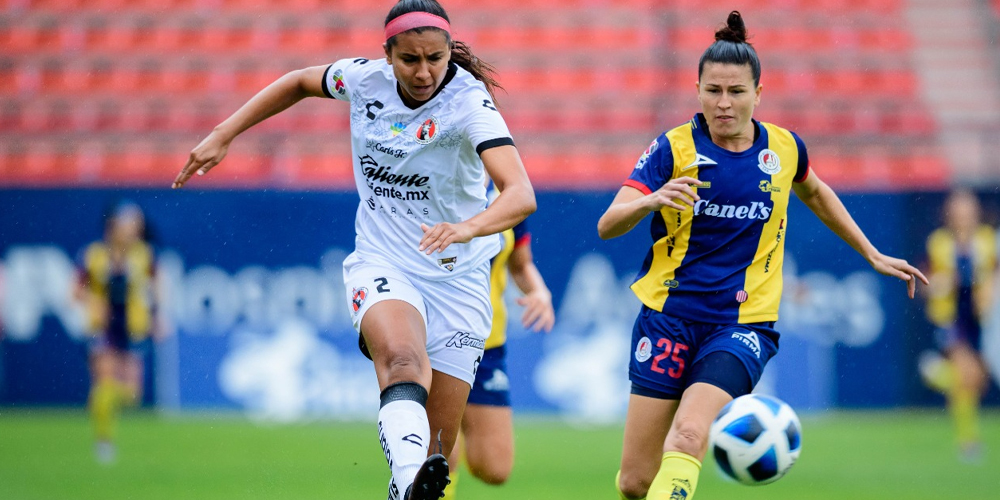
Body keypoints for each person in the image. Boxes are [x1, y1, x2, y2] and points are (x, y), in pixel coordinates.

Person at [171, 1, 536, 498]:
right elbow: (300, 80)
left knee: (439, 453)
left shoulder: (469, 103)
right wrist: (224, 133)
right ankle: (407, 482)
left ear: (451, 51)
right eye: (410, 59)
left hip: (460, 281)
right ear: (387, 55)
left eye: (436, 57)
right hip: (384, 263)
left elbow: (521, 194)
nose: (424, 71)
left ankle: (404, 485)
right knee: (403, 363)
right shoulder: (363, 80)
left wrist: (469, 227)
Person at [596, 11, 928, 500]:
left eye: (735, 92)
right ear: (698, 90)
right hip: (668, 318)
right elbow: (607, 225)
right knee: (635, 482)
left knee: (689, 432)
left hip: (743, 323)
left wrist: (871, 252)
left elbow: (816, 193)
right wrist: (650, 199)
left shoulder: (784, 148)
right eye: (713, 91)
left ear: (758, 93)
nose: (724, 103)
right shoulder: (673, 148)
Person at [442, 184, 555, 499]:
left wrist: (538, 291)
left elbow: (520, 264)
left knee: (494, 467)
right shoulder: (436, 186)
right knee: (439, 449)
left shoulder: (507, 197)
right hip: (436, 337)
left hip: (486, 341)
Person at [75, 201, 159, 464]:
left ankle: (101, 400)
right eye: (129, 224)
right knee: (104, 378)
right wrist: (93, 304)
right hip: (104, 328)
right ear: (113, 226)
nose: (133, 230)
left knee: (132, 395)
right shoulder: (94, 255)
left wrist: (157, 317)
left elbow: (155, 288)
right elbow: (76, 290)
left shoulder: (143, 255)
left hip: (132, 327)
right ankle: (104, 441)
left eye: (136, 225)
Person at [919, 188, 996, 463]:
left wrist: (988, 290)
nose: (963, 214)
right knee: (965, 375)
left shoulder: (987, 240)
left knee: (976, 381)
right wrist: (937, 286)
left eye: (967, 208)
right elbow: (926, 280)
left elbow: (994, 273)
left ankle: (936, 374)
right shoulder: (938, 242)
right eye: (958, 209)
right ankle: (968, 442)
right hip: (952, 317)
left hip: (979, 318)